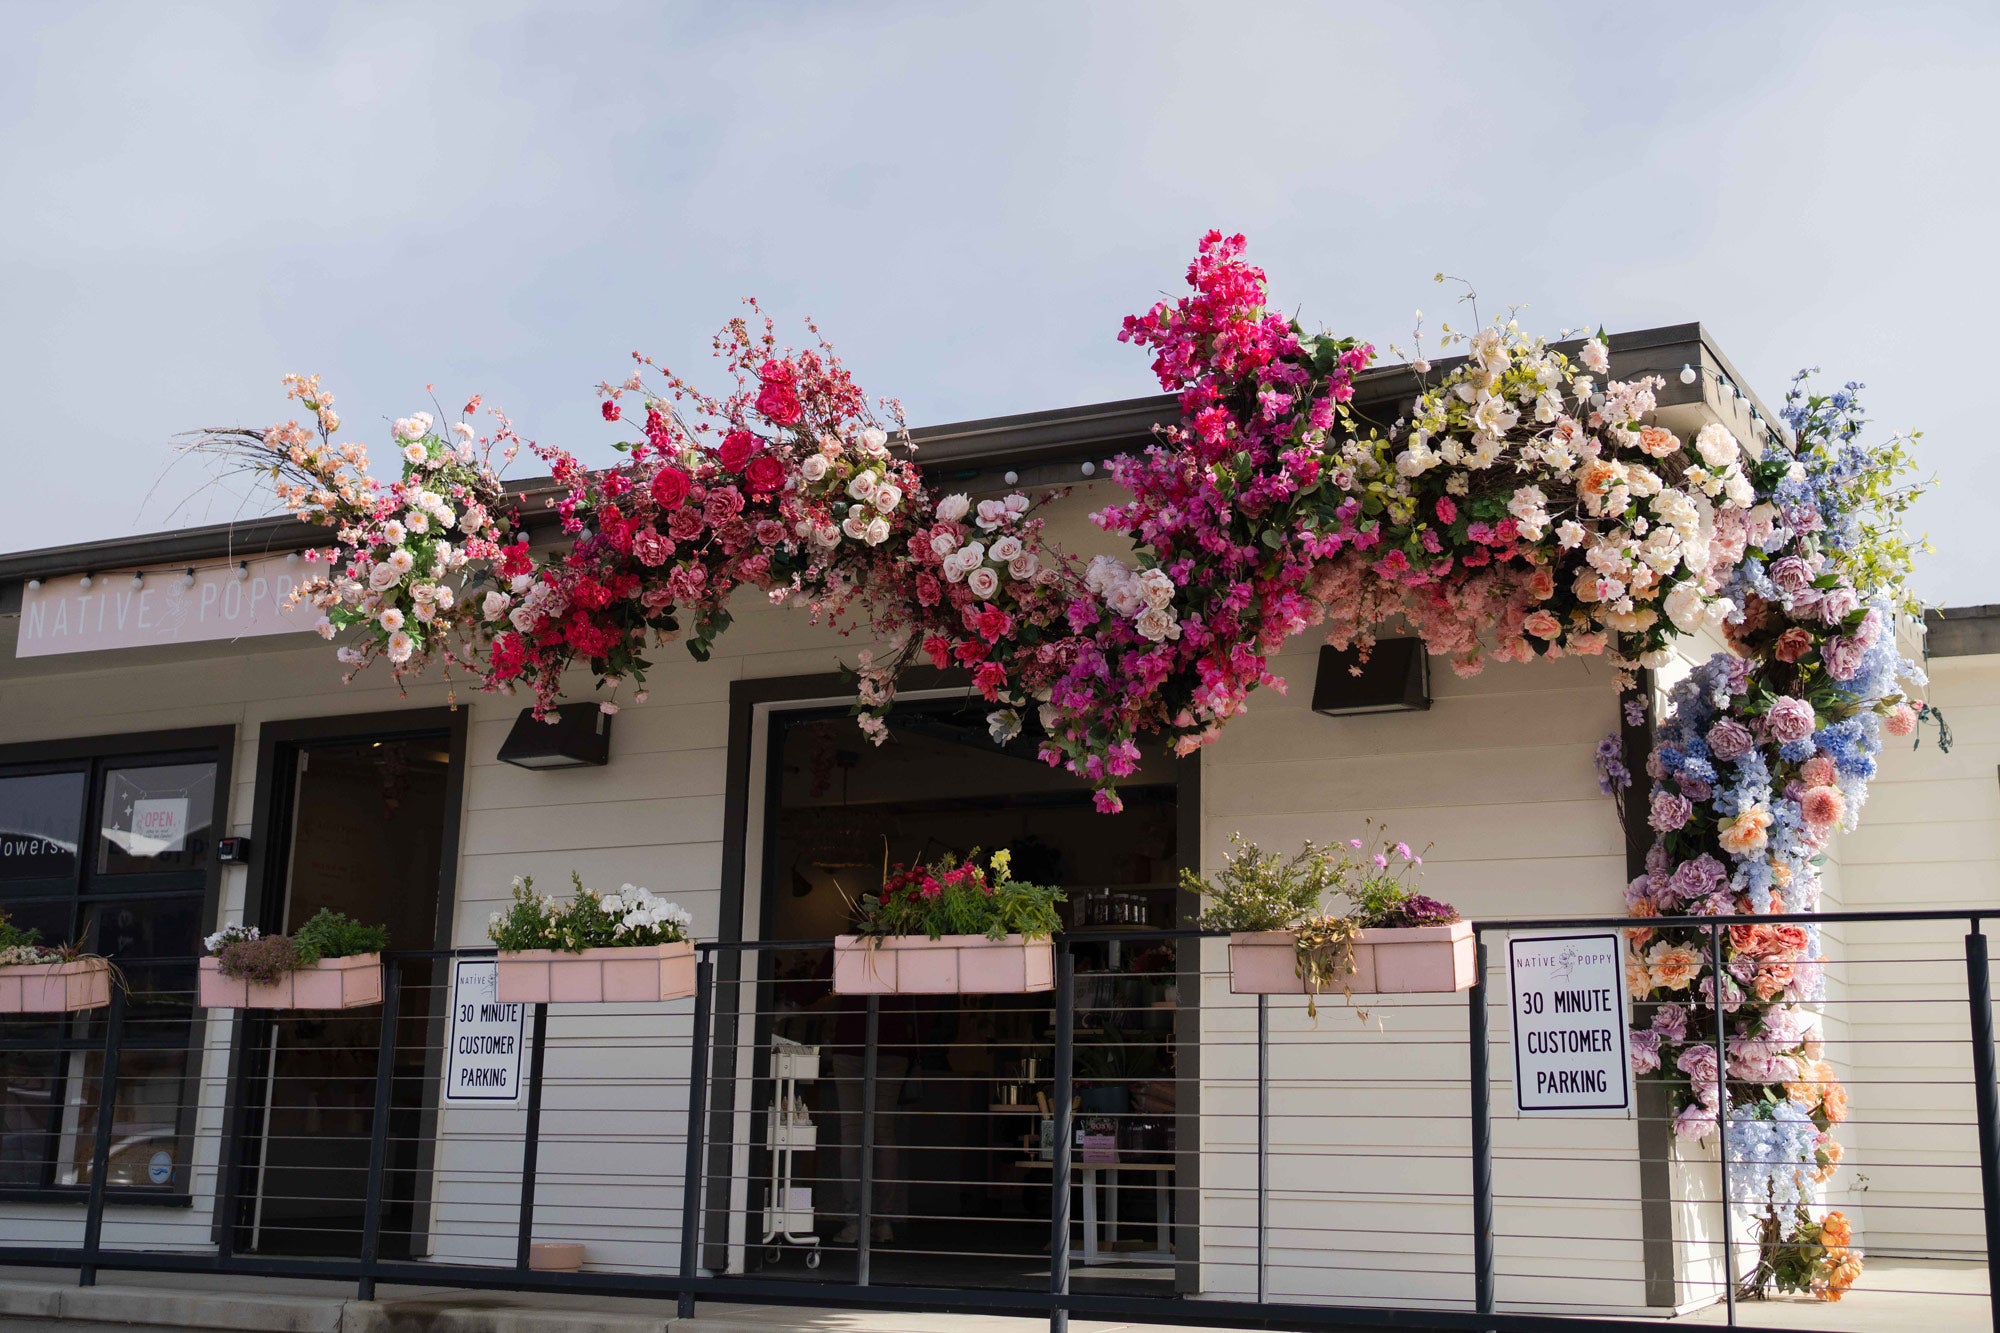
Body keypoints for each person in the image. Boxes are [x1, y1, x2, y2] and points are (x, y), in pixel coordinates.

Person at [823, 987, 921, 1245]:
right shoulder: (907, 945)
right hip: (895, 1045)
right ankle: (883, 1221)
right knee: (884, 1133)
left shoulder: (848, 944)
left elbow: (822, 979)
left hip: (851, 1043)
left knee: (852, 1133)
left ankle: (855, 1223)